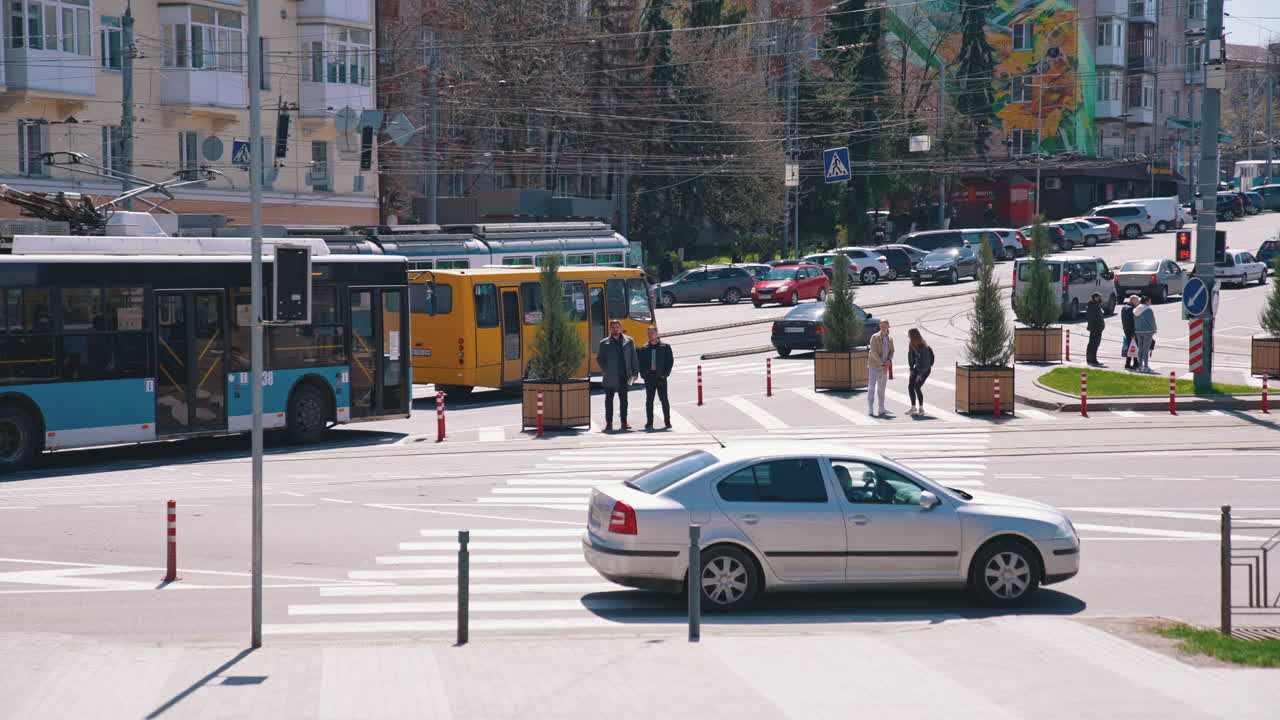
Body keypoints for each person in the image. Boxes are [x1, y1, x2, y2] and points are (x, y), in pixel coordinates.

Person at [596, 320, 638, 431]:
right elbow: (599, 358)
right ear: (610, 329)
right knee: (609, 401)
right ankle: (609, 423)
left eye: (617, 327)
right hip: (610, 376)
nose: (615, 329)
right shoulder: (604, 343)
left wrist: (635, 373)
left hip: (624, 376)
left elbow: (633, 357)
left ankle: (624, 422)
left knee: (624, 401)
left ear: (620, 328)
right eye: (613, 327)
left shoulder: (629, 341)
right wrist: (606, 369)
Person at [636, 326, 673, 430]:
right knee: (649, 400)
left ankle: (667, 422)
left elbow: (670, 361)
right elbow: (641, 363)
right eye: (649, 333)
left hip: (661, 377)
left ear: (657, 333)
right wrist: (644, 375)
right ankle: (649, 422)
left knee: (664, 400)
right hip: (649, 377)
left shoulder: (665, 347)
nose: (650, 335)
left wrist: (665, 374)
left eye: (652, 333)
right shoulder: (644, 348)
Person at [867, 320, 894, 416]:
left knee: (882, 388)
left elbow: (892, 351)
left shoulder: (890, 339)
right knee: (872, 386)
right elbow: (873, 352)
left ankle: (881, 408)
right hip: (874, 365)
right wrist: (882, 364)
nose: (883, 328)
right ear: (879, 326)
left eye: (885, 326)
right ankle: (870, 408)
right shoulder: (875, 337)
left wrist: (889, 361)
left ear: (888, 327)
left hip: (884, 367)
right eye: (882, 326)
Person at [906, 328, 934, 416]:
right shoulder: (912, 344)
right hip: (916, 368)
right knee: (910, 387)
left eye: (909, 335)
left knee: (917, 387)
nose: (908, 336)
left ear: (913, 336)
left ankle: (921, 409)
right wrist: (911, 369)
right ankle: (913, 408)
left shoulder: (923, 346)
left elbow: (926, 362)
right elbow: (911, 358)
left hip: (924, 370)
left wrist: (920, 374)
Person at [1133, 294, 1158, 373]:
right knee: (1146, 350)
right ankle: (1146, 366)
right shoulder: (1148, 309)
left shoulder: (1136, 309)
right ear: (1147, 301)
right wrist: (1154, 329)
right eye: (1149, 300)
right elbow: (1151, 321)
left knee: (1140, 349)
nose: (1150, 302)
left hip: (1138, 331)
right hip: (1147, 331)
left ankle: (1140, 366)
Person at [1085, 292, 1105, 367]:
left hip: (1096, 328)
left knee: (1094, 344)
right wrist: (1099, 327)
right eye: (1099, 297)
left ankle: (1092, 359)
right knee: (1093, 345)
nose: (1100, 299)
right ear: (1095, 298)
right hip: (1095, 329)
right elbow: (1095, 318)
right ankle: (1092, 360)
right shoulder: (1093, 306)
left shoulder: (1095, 305)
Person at [1120, 295, 1139, 370]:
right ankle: (1130, 363)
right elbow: (1131, 322)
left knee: (1131, 346)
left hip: (1126, 330)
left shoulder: (1124, 307)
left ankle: (1134, 362)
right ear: (1133, 300)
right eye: (1137, 301)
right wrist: (1133, 333)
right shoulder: (1131, 309)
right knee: (1133, 347)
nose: (1138, 302)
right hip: (1131, 331)